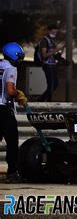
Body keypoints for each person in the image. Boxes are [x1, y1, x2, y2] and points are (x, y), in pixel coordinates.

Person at [0, 42, 27, 182]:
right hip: (3, 110)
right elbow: (10, 91)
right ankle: (12, 174)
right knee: (11, 142)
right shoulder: (11, 69)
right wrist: (19, 94)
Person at [37, 24, 64, 102]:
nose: (54, 34)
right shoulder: (44, 41)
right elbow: (44, 55)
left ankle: (41, 99)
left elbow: (53, 54)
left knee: (55, 85)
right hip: (47, 65)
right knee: (51, 85)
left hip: (53, 65)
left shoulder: (52, 41)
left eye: (55, 32)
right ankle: (48, 102)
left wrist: (60, 50)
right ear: (48, 31)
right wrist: (56, 49)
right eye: (53, 32)